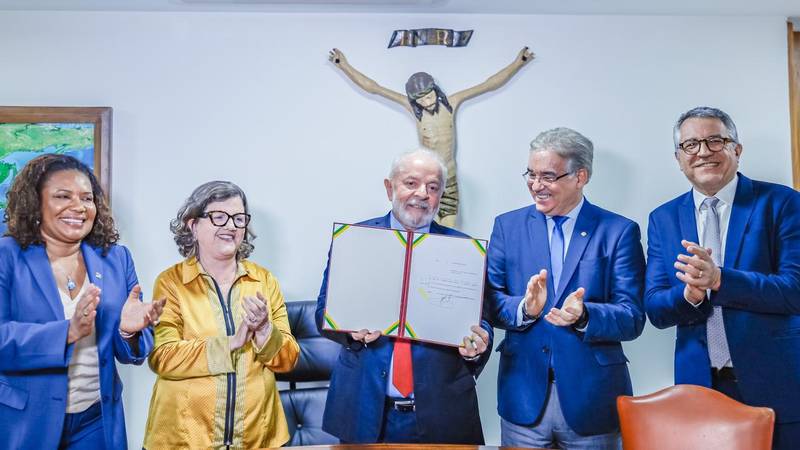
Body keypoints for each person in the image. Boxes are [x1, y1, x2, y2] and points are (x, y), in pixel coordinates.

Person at [645, 106, 800, 449]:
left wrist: (719, 280)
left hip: (776, 384)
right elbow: (655, 308)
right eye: (691, 145)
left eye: (715, 141)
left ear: (736, 149)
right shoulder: (662, 218)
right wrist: (690, 295)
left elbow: (795, 291)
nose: (703, 152)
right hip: (700, 386)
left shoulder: (783, 203)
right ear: (678, 158)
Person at [315, 148, 492, 444]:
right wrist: (350, 330)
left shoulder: (465, 251)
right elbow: (322, 312)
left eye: (432, 187)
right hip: (363, 411)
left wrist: (477, 343)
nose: (422, 194)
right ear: (390, 188)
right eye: (411, 183)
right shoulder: (355, 240)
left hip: (443, 414)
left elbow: (482, 322)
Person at [486, 128, 645, 449]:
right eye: (531, 174)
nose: (536, 185)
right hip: (523, 399)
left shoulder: (619, 231)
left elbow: (632, 317)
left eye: (548, 176)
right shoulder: (507, 226)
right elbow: (489, 302)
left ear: (580, 176)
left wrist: (585, 315)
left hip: (593, 401)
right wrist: (525, 309)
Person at [0, 154, 164, 449]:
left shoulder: (116, 258)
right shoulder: (7, 256)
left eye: (87, 198)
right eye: (63, 196)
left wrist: (128, 332)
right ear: (35, 202)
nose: (78, 207)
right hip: (26, 421)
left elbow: (133, 352)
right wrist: (68, 332)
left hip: (96, 421)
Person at [143, 181, 299, 449]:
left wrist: (264, 331)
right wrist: (231, 343)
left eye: (238, 219)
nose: (231, 226)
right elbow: (163, 357)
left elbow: (288, 360)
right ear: (193, 225)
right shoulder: (171, 282)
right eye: (219, 217)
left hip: (258, 439)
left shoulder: (264, 280)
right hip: (184, 440)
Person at [328, 47, 533, 227]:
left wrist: (518, 63)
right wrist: (344, 66)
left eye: (429, 96)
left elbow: (487, 85)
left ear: (435, 90)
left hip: (449, 178)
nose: (426, 102)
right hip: (425, 182)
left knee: (450, 228)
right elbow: (375, 88)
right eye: (421, 100)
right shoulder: (413, 109)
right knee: (425, 228)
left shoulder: (451, 103)